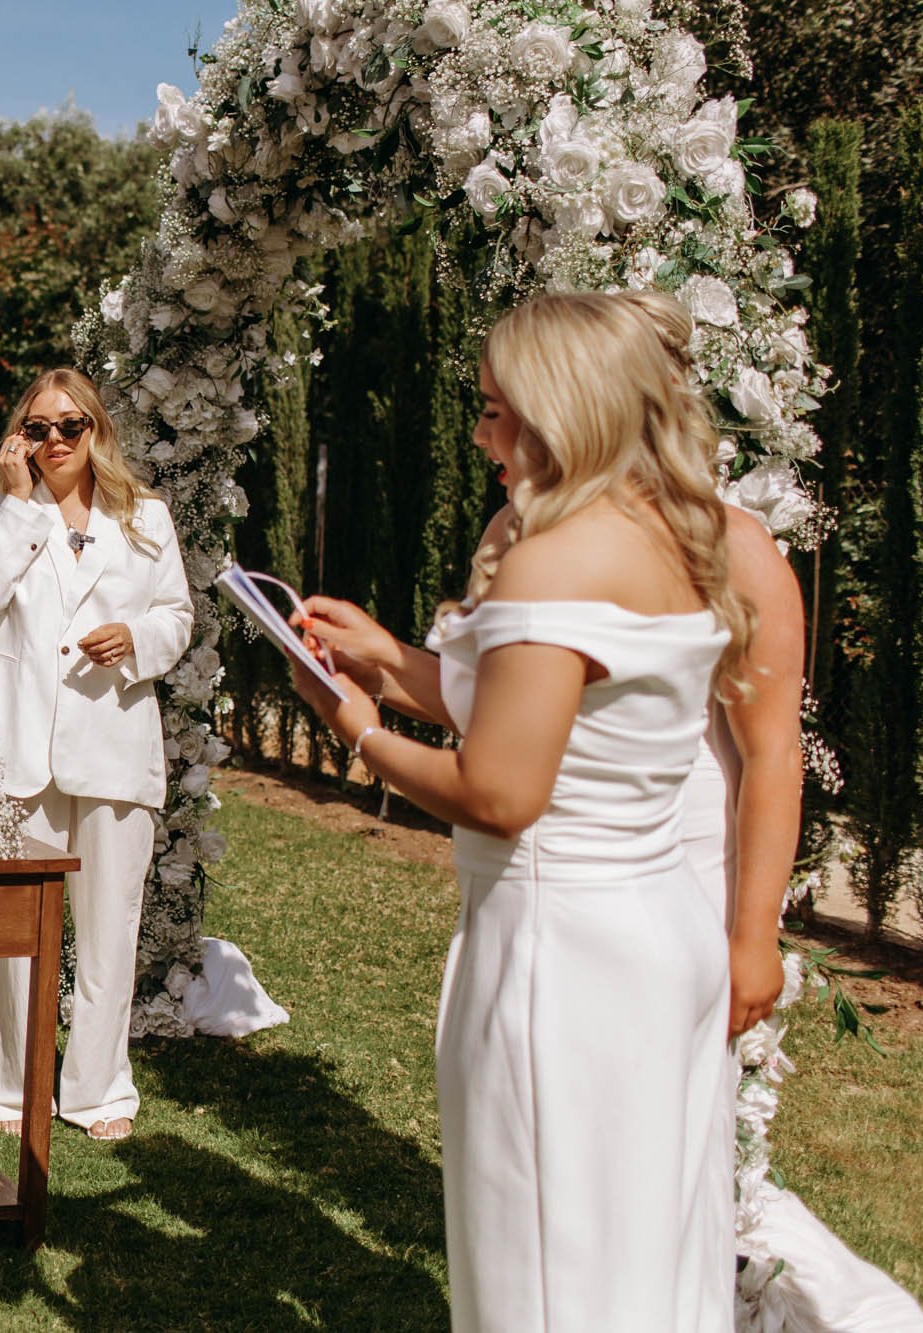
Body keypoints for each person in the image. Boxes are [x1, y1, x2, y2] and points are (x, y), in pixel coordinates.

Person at [288, 291, 745, 1329]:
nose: (481, 431)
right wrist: (385, 660)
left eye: (494, 409)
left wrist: (357, 727)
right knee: (640, 1267)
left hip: (561, 954)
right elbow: (546, 714)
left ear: (557, 410)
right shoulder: (665, 535)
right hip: (652, 932)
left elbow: (499, 789)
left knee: (541, 1277)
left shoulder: (553, 556)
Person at [0, 368, 192, 1141]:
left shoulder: (146, 515)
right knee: (17, 929)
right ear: (19, 438)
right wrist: (20, 501)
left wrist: (137, 641)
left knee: (108, 927)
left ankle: (97, 1091)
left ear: (96, 430)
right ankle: (16, 1086)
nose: (54, 440)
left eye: (70, 426)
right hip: (18, 743)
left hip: (113, 739)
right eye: (37, 427)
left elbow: (176, 613)